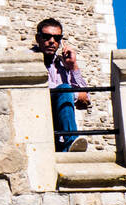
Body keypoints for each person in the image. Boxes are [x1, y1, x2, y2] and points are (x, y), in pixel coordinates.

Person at [32, 19, 89, 153]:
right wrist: (73, 94)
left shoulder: (62, 64)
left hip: (60, 138)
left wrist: (73, 66)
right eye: (47, 37)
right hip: (40, 131)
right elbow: (42, 88)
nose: (52, 41)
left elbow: (86, 99)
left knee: (65, 89)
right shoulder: (28, 60)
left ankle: (71, 143)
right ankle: (71, 141)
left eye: (57, 38)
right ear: (38, 38)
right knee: (65, 89)